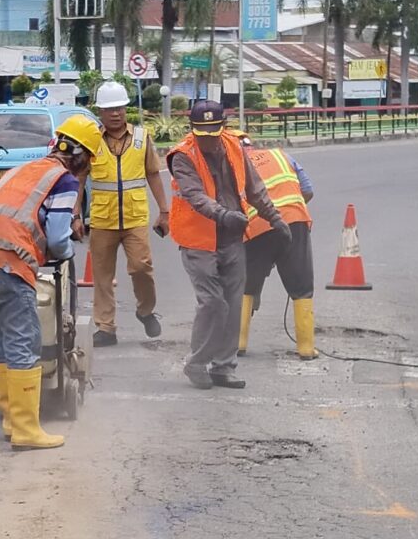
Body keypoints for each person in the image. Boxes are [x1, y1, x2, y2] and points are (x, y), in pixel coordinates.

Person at [0, 111, 100, 449]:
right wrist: (66, 253)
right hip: (12, 262)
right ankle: (27, 431)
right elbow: (58, 239)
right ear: (82, 155)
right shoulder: (64, 180)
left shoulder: (22, 170)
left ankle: (12, 421)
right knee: (24, 341)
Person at [166, 99, 284, 390]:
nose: (206, 139)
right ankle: (197, 363)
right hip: (198, 240)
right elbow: (195, 195)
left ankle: (223, 367)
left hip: (232, 238)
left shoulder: (233, 146)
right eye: (200, 133)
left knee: (232, 304)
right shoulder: (182, 155)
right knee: (212, 303)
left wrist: (275, 218)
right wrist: (224, 215)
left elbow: (255, 188)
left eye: (212, 132)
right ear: (192, 129)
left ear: (223, 127)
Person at [84, 81, 168, 347]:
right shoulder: (91, 140)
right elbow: (78, 179)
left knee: (142, 268)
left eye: (119, 108)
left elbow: (153, 174)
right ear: (100, 112)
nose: (115, 114)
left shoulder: (142, 138)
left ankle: (145, 310)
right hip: (102, 220)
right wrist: (75, 214)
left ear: (126, 109)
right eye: (109, 109)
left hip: (134, 219)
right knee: (102, 276)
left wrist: (164, 211)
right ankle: (106, 328)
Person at [239, 142, 317, 358]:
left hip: (257, 227)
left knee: (246, 285)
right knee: (301, 286)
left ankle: (239, 343)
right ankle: (306, 348)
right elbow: (308, 190)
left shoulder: (234, 163)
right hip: (294, 221)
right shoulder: (281, 155)